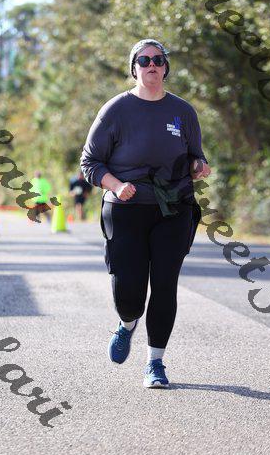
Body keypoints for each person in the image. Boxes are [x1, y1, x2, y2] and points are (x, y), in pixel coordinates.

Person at [80, 38, 211, 389]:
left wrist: (199, 166)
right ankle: (127, 324)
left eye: (157, 59)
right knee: (129, 291)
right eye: (144, 60)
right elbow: (90, 162)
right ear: (134, 68)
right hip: (125, 208)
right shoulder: (116, 110)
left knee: (165, 285)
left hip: (173, 207)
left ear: (165, 67)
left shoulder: (183, 111)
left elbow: (196, 154)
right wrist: (116, 185)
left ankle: (155, 362)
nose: (151, 65)